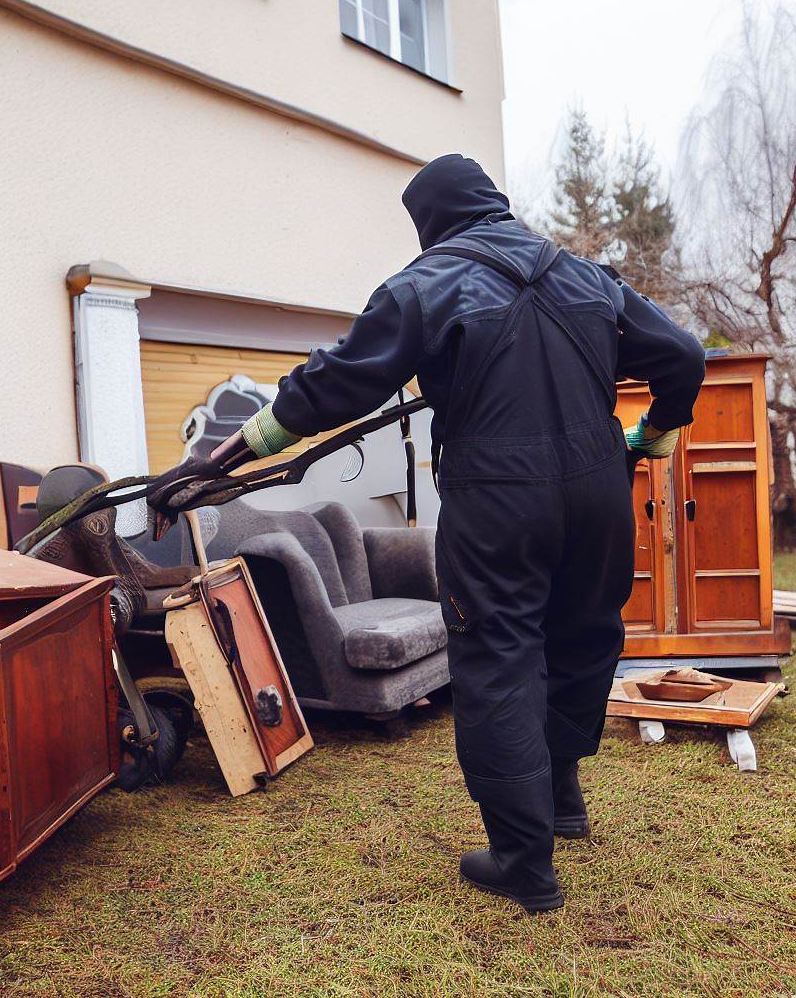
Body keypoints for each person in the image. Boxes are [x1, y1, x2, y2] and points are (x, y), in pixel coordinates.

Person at [151, 153, 705, 911]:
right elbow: (682, 355)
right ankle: (562, 799)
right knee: (582, 636)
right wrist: (655, 437)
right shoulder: (588, 278)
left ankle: (524, 860)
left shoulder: (423, 287)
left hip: (499, 496)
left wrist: (219, 458)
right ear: (495, 204)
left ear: (430, 223)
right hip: (601, 486)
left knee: (502, 654)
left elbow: (331, 385)